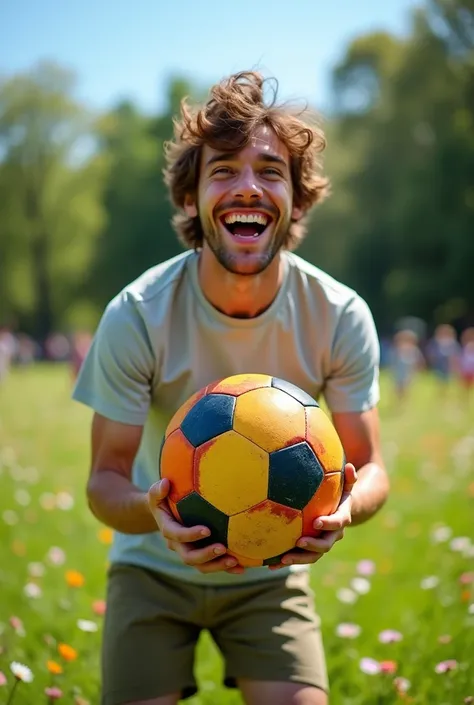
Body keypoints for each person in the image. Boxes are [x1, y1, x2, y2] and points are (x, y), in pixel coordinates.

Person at [73, 71, 390, 705]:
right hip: (151, 566)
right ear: (190, 199)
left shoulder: (339, 312)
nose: (248, 185)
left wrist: (343, 510)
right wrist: (157, 519)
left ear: (297, 200)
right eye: (223, 170)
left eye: (271, 171)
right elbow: (105, 481)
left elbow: (371, 465)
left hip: (273, 571)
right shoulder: (137, 313)